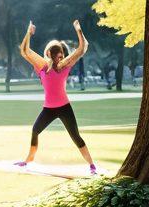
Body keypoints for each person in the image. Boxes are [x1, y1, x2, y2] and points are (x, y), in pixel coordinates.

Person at [15, 20, 96, 174]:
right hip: (48, 109)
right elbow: (24, 51)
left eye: (62, 56)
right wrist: (28, 33)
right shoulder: (42, 66)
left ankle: (92, 165)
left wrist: (79, 30)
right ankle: (28, 159)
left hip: (65, 108)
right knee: (35, 130)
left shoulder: (65, 66)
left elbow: (82, 48)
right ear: (49, 54)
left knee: (75, 136)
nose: (61, 59)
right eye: (58, 56)